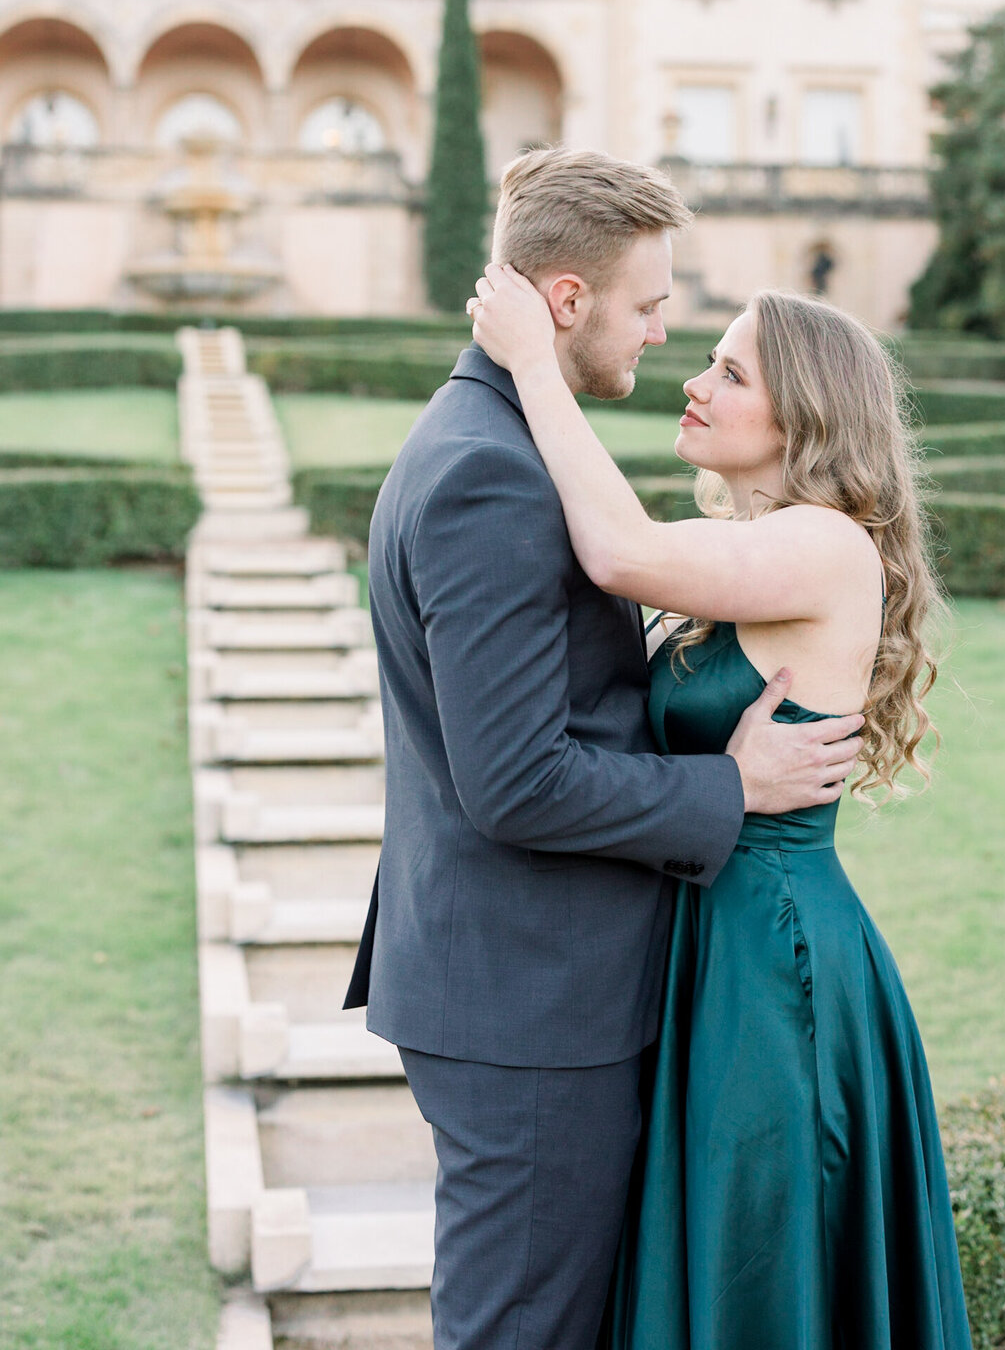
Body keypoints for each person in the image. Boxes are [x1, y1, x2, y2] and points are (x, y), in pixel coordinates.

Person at [344, 148, 865, 1350]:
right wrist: (729, 785)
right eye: (648, 305)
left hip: (532, 983)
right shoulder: (491, 474)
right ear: (566, 302)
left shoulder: (506, 438)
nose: (663, 334)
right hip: (531, 1002)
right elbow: (517, 780)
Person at [469, 266, 975, 1350]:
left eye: (730, 370)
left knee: (761, 1265)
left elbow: (617, 550)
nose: (693, 381)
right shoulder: (761, 543)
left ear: (804, 414)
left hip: (774, 962)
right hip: (717, 940)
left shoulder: (824, 543)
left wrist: (529, 361)